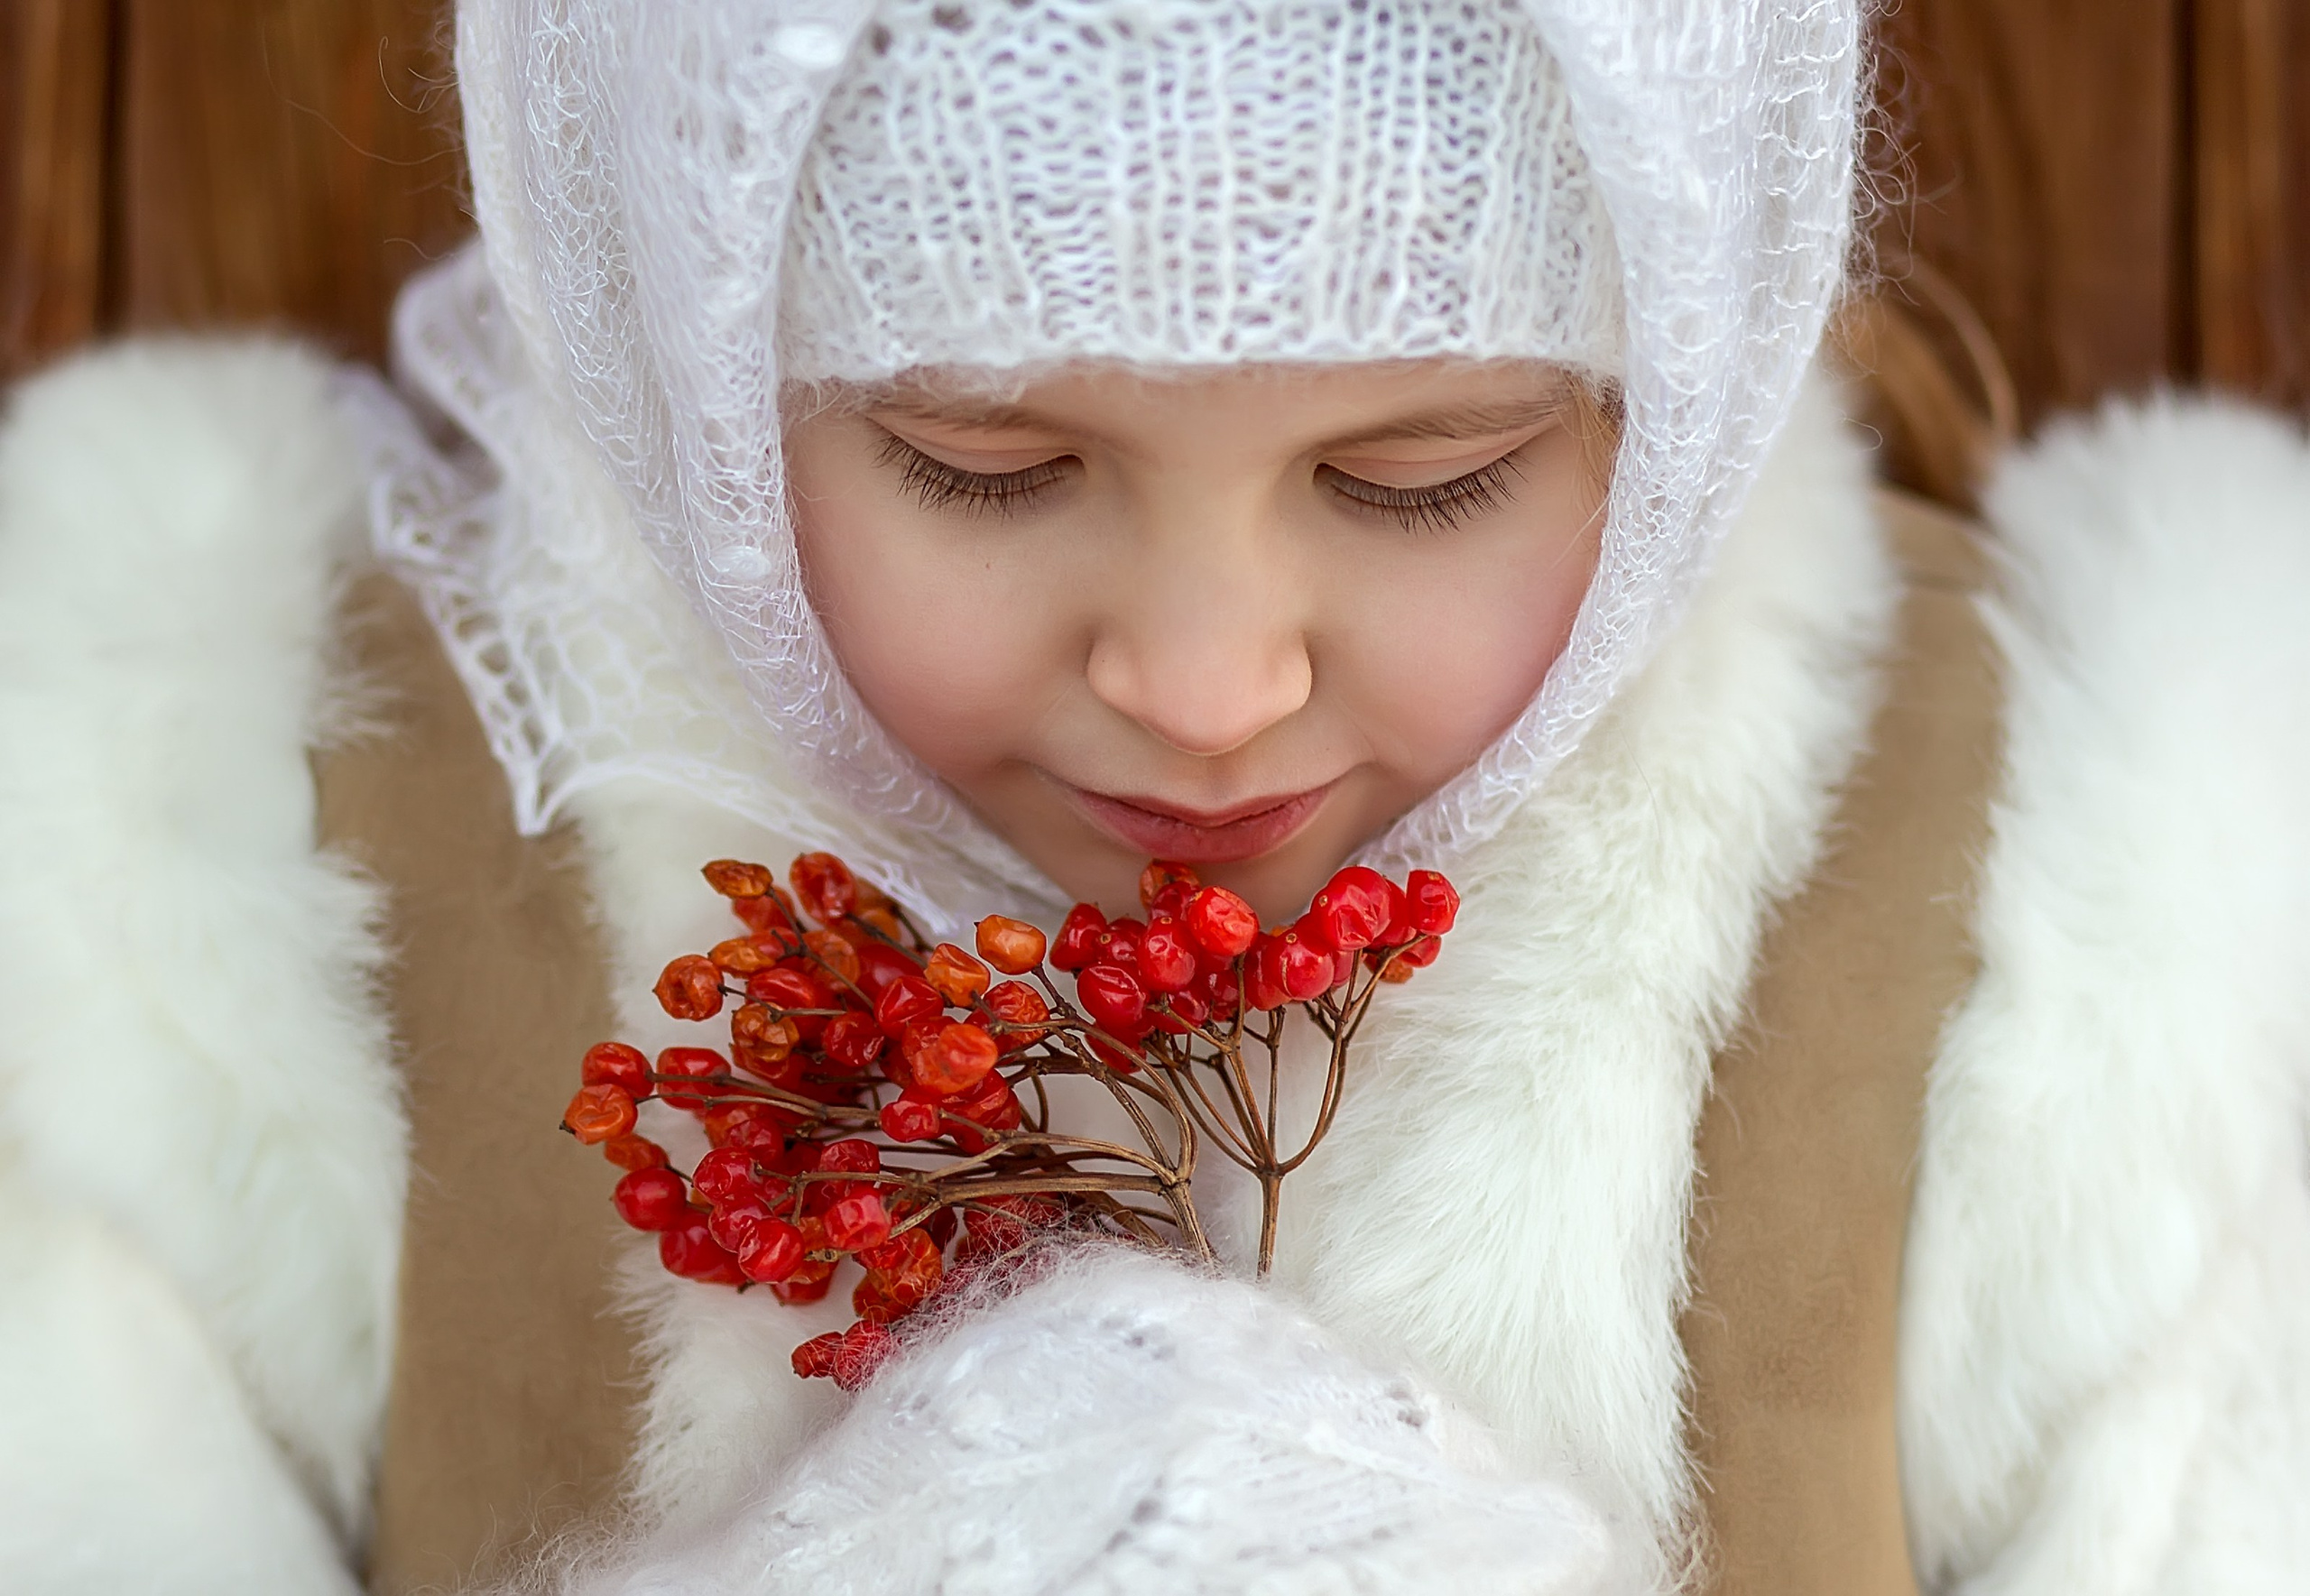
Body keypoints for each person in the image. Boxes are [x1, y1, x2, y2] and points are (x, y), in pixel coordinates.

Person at [2, 0, 2306, 1591]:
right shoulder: (238, 850)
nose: (1206, 688)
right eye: (979, 467)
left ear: (1669, 386)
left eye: (1422, 479)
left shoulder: (2060, 895)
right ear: (679, 354)